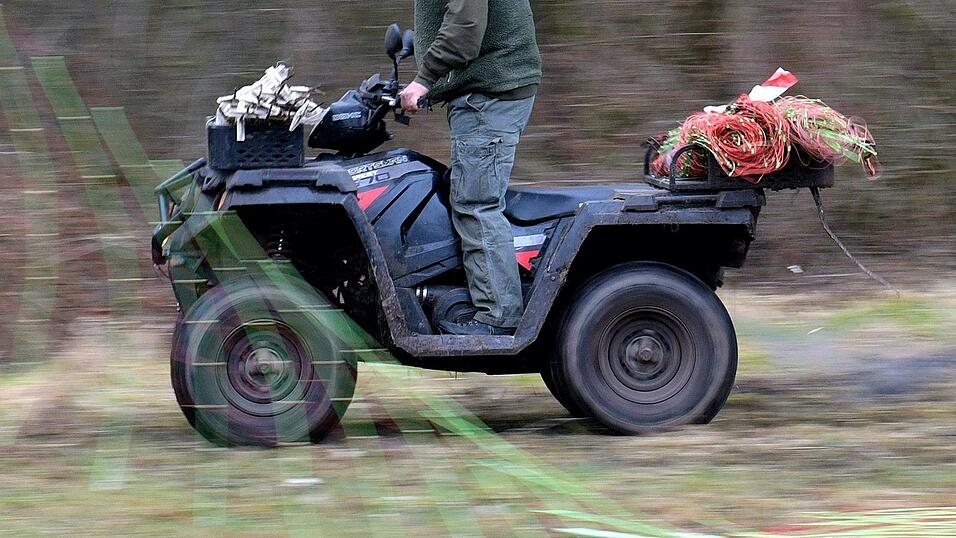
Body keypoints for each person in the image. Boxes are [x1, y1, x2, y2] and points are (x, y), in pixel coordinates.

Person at [401, 0, 542, 336]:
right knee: (463, 193)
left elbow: (465, 28)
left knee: (476, 205)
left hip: (490, 94)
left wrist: (424, 79)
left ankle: (499, 317)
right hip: (488, 89)